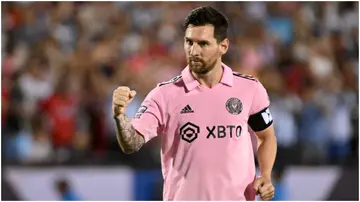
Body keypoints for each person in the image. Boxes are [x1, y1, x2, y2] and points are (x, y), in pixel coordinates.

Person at [112, 6, 277, 201]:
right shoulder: (164, 94)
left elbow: (266, 137)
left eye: (203, 44)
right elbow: (131, 143)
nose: (194, 51)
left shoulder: (249, 89)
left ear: (223, 46)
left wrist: (265, 175)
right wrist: (120, 116)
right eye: (189, 42)